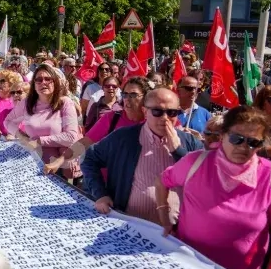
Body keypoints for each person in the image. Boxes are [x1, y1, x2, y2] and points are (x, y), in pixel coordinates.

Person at [156, 106, 271, 269]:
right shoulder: (195, 162)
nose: (244, 147)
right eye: (237, 139)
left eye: (253, 142)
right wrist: (165, 219)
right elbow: (162, 182)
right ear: (222, 136)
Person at [82, 88, 204, 223]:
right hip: (129, 225)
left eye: (171, 112)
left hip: (176, 230)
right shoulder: (124, 137)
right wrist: (100, 194)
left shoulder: (189, 142)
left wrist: (178, 151)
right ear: (145, 112)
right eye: (157, 111)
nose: (165, 118)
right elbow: (89, 158)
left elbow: (205, 177)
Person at [6, 65, 81, 181]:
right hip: (31, 163)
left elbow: (71, 136)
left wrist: (39, 141)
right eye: (39, 80)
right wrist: (22, 137)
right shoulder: (27, 103)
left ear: (55, 82)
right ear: (34, 84)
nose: (43, 83)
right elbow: (8, 121)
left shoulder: (65, 103)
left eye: (48, 79)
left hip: (56, 168)